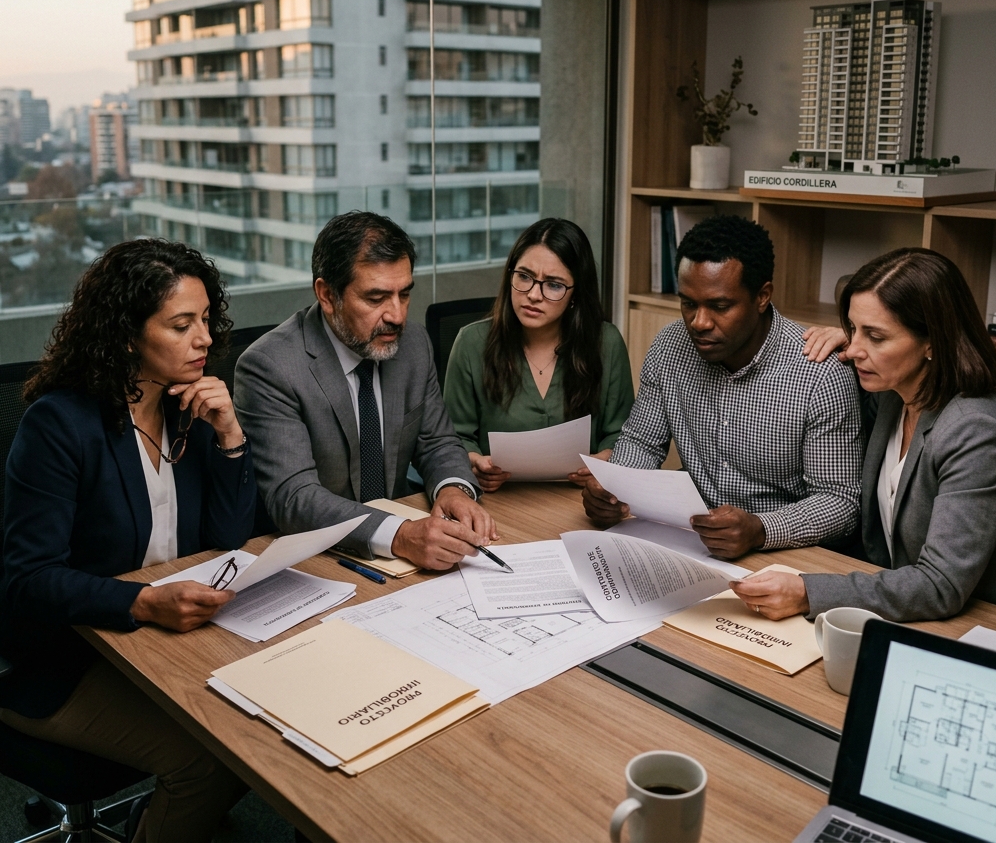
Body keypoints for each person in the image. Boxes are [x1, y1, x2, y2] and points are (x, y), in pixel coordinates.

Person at [0, 239, 256, 842]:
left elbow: (225, 545)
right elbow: (28, 579)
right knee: (215, 759)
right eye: (181, 325)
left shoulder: (188, 409)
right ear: (126, 336)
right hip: (69, 658)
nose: (205, 339)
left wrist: (230, 437)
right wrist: (141, 602)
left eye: (206, 320)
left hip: (169, 644)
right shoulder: (60, 424)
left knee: (270, 730)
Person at [732, 248, 996, 622]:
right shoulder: (894, 392)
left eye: (876, 336)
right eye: (852, 328)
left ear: (932, 342)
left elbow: (940, 586)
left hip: (988, 624)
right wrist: (858, 338)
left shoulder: (978, 432)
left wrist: (808, 593)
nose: (854, 350)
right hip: (902, 601)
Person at [579, 214, 862, 558]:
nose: (699, 322)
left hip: (785, 553)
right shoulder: (669, 347)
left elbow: (840, 503)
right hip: (692, 541)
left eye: (720, 306)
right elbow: (642, 442)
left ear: (762, 296)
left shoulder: (820, 373)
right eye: (688, 303)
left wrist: (760, 529)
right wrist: (612, 490)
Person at [234, 211, 496, 571]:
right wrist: (399, 535)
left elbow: (437, 442)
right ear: (328, 295)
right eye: (376, 298)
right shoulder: (270, 366)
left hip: (407, 559)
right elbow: (294, 497)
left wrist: (453, 489)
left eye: (404, 294)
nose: (397, 316)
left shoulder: (413, 343)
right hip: (315, 560)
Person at [443, 218, 634, 491]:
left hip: (580, 499)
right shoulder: (471, 343)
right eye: (524, 276)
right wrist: (474, 462)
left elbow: (622, 434)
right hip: (499, 500)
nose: (533, 294)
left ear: (576, 294)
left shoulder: (606, 343)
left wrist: (605, 460)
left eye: (554, 285)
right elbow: (453, 437)